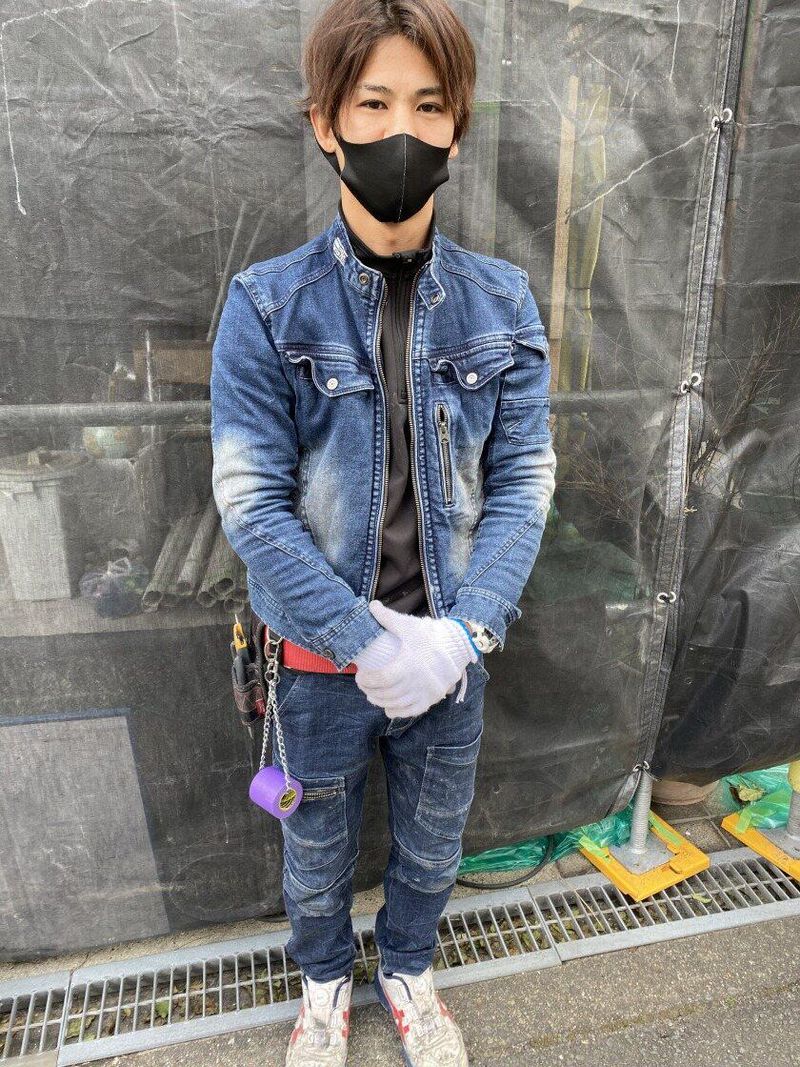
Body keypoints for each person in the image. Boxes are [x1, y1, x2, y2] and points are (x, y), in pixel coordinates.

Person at [210, 1, 557, 1063]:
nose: (401, 130)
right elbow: (251, 504)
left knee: (434, 844)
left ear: (456, 128)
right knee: (314, 851)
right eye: (372, 103)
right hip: (317, 663)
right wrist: (366, 643)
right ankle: (322, 983)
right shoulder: (267, 306)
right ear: (326, 123)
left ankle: (408, 967)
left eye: (427, 105)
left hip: (452, 655)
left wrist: (458, 636)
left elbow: (524, 484)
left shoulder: (503, 302)